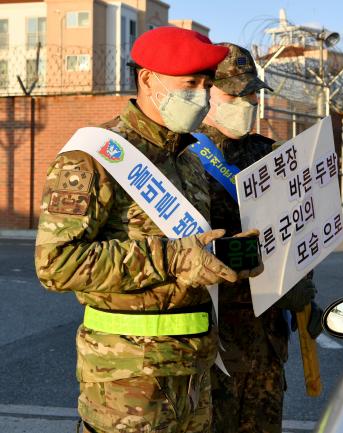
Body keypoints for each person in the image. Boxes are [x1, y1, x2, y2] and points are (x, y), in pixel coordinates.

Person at [34, 27, 251, 433]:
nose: (202, 96)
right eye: (190, 84)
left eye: (206, 84)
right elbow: (55, 264)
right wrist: (173, 257)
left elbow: (192, 251)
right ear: (148, 79)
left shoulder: (188, 159)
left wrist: (229, 256)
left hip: (194, 371)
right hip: (128, 380)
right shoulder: (92, 157)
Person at [194, 43, 322, 433]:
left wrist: (303, 289)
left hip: (266, 340)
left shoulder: (271, 156)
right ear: (205, 92)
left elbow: (297, 232)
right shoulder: (184, 159)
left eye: (252, 92)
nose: (247, 100)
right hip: (214, 342)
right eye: (234, 92)